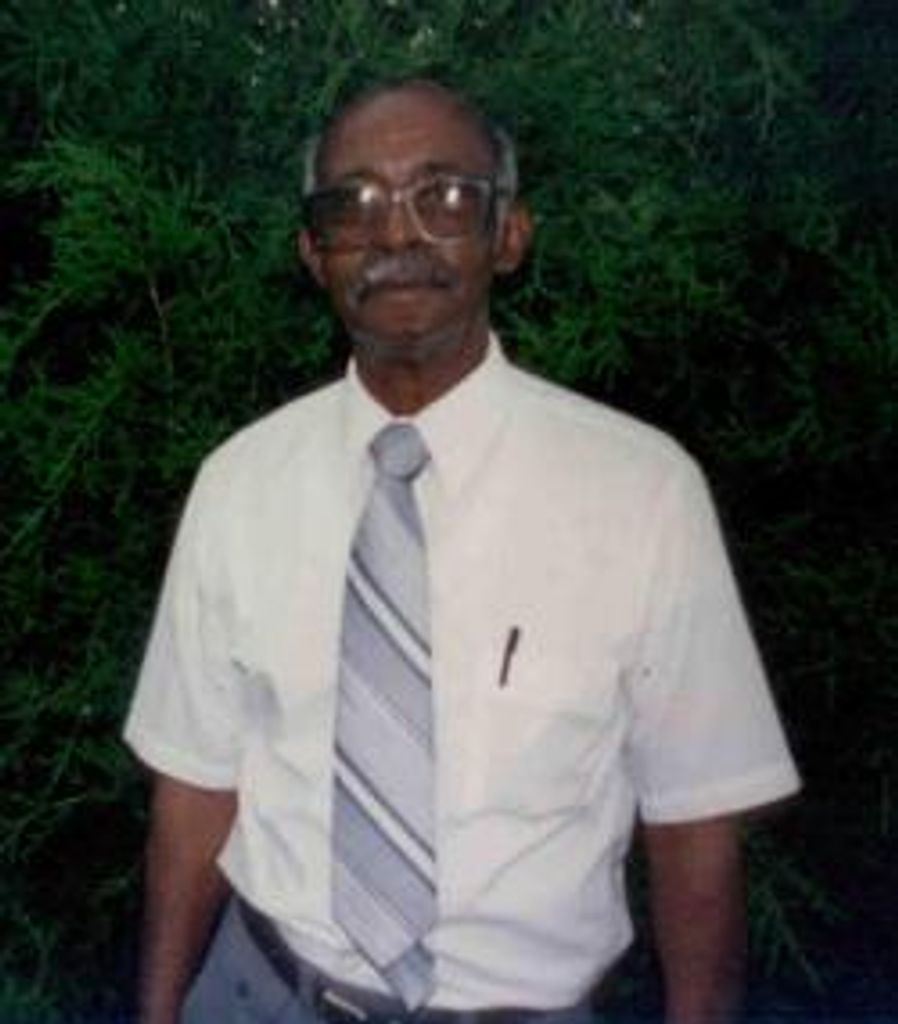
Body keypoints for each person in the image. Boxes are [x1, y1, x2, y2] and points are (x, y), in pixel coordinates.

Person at [124, 78, 801, 1024]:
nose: (396, 234)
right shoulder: (239, 483)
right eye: (354, 203)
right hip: (259, 994)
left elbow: (696, 822)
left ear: (508, 234)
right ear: (314, 253)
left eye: (443, 196)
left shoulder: (643, 494)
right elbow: (195, 787)